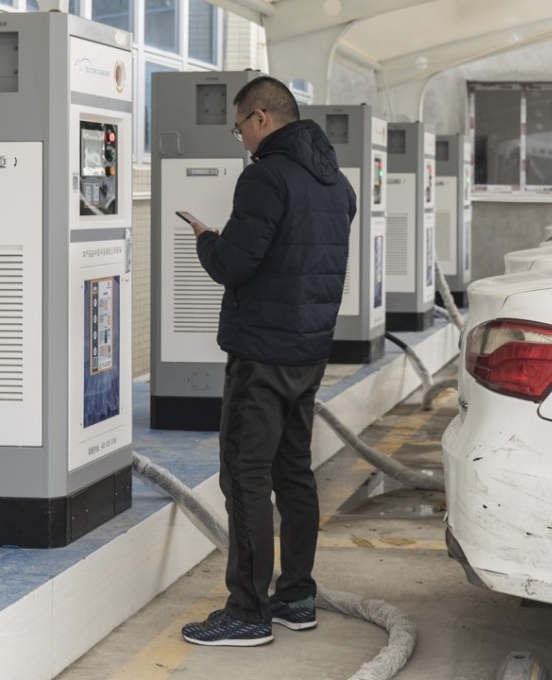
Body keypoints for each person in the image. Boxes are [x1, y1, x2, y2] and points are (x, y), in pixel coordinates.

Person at [180, 75, 356, 647]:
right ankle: (296, 596)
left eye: (239, 129)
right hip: (308, 351)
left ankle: (248, 612)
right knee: (293, 472)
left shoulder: (265, 177)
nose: (242, 141)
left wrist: (207, 239)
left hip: (261, 354)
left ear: (260, 117)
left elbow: (235, 264)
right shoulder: (337, 185)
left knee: (245, 475)